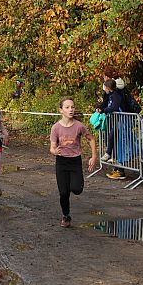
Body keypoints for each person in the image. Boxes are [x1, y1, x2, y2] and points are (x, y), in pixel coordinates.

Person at [50, 97, 97, 228]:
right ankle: (66, 215)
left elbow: (91, 139)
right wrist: (55, 152)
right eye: (67, 107)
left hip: (75, 161)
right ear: (61, 110)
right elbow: (52, 147)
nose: (71, 109)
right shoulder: (56, 128)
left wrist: (94, 157)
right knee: (63, 193)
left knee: (76, 189)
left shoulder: (79, 126)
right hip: (61, 162)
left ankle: (73, 184)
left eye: (72, 107)